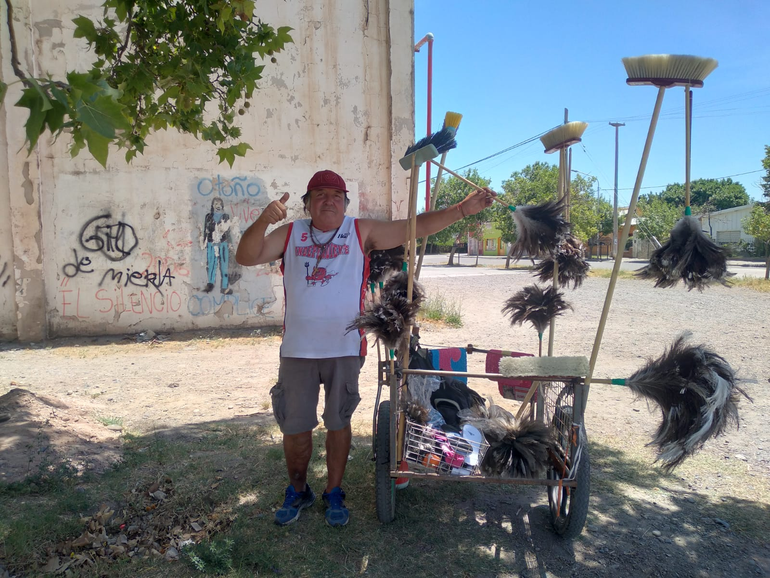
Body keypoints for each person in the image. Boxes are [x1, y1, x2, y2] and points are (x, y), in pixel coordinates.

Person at [235, 169, 495, 527]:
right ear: (307, 203)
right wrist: (263, 221)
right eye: (320, 194)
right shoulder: (291, 233)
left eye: (336, 195)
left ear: (346, 203)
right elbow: (246, 256)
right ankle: (298, 489)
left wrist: (463, 210)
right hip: (297, 351)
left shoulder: (360, 231)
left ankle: (334, 491)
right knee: (295, 431)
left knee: (338, 424)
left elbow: (413, 226)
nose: (329, 200)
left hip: (344, 349)